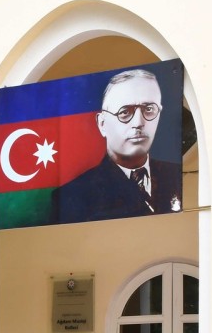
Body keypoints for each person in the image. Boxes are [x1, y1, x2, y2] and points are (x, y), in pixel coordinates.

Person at [51, 69, 182, 225]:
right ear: (102, 123)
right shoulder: (71, 196)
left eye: (149, 109)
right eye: (125, 112)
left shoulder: (177, 176)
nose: (139, 122)